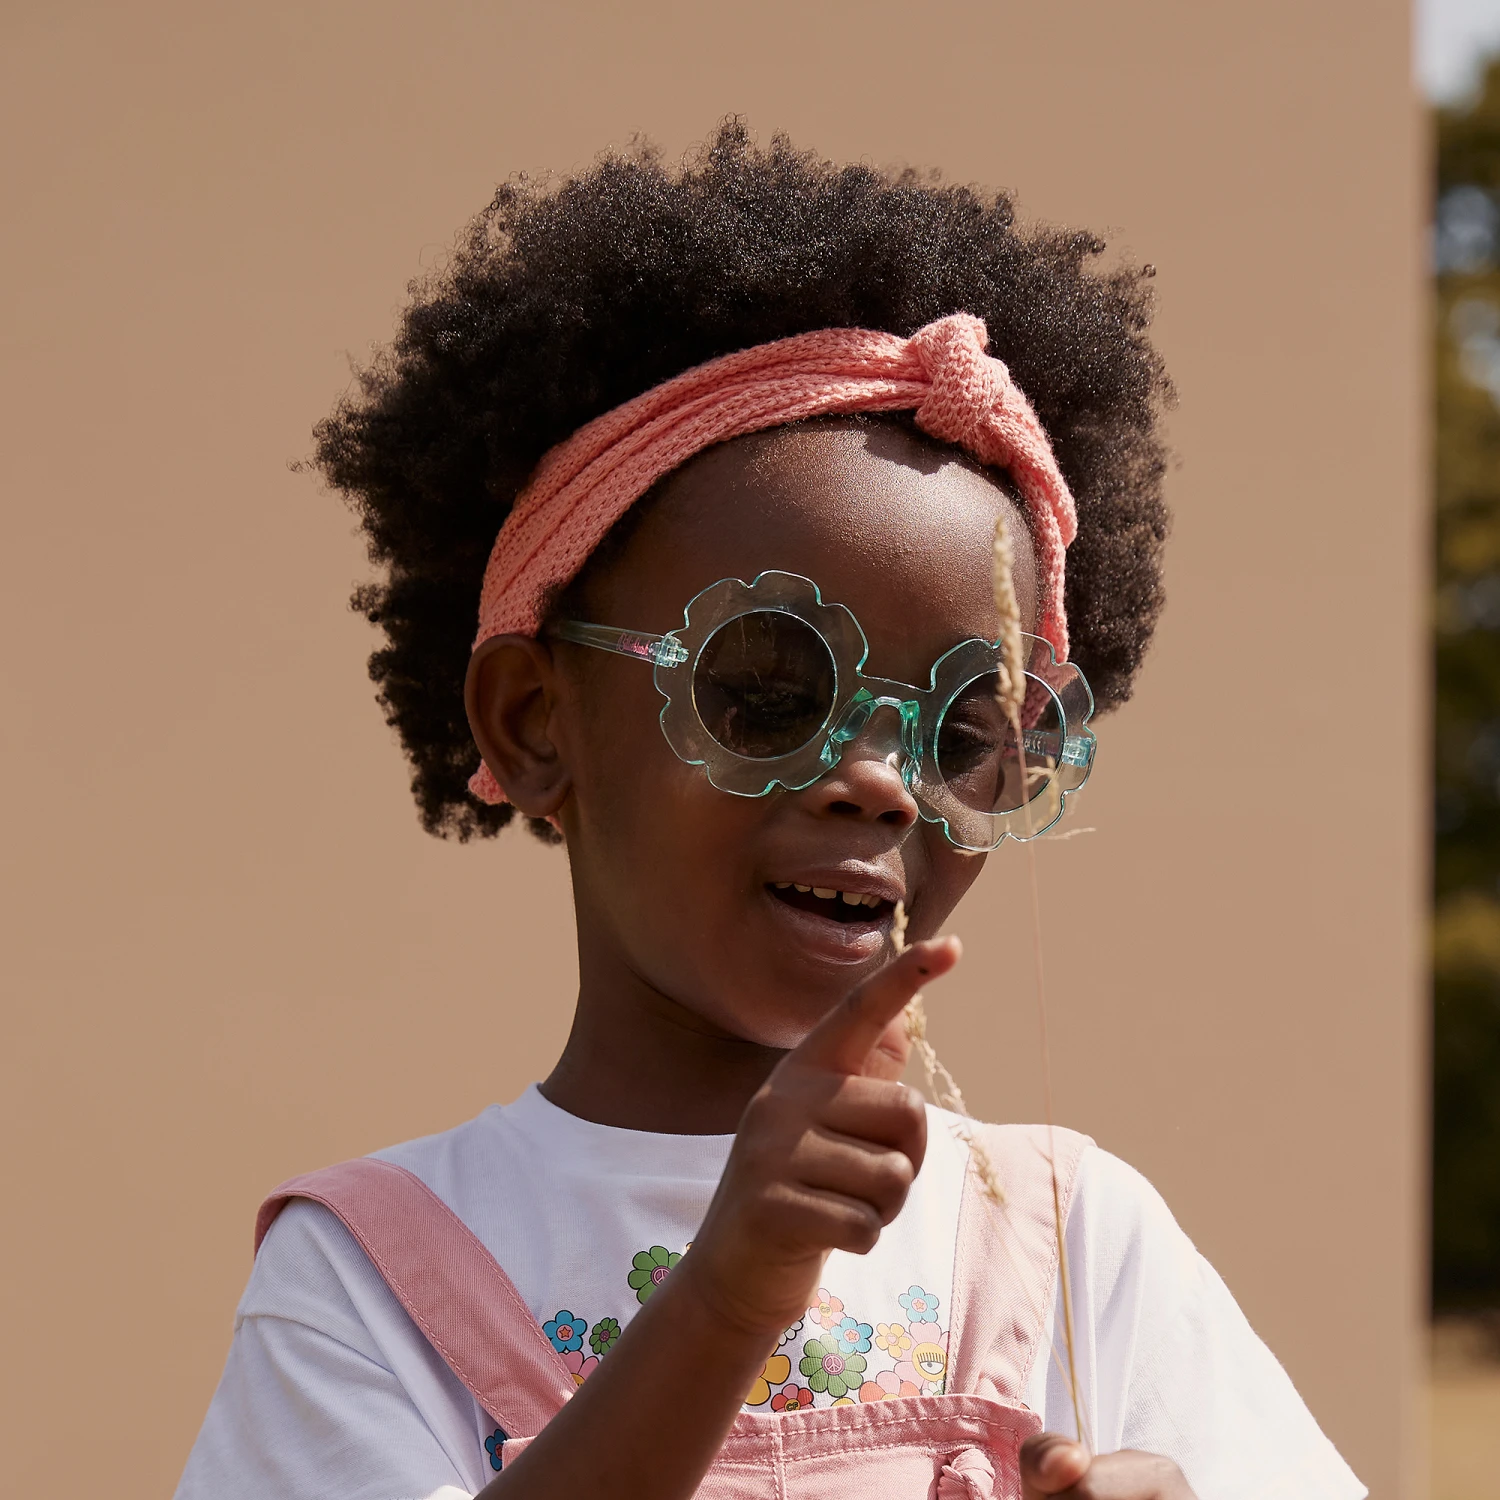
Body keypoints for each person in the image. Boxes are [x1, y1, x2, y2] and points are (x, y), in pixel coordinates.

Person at [175, 124, 1365, 1500]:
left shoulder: (1068, 1236)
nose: (881, 781)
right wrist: (724, 1302)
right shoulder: (371, 1273)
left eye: (964, 734)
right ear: (534, 722)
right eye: (765, 693)